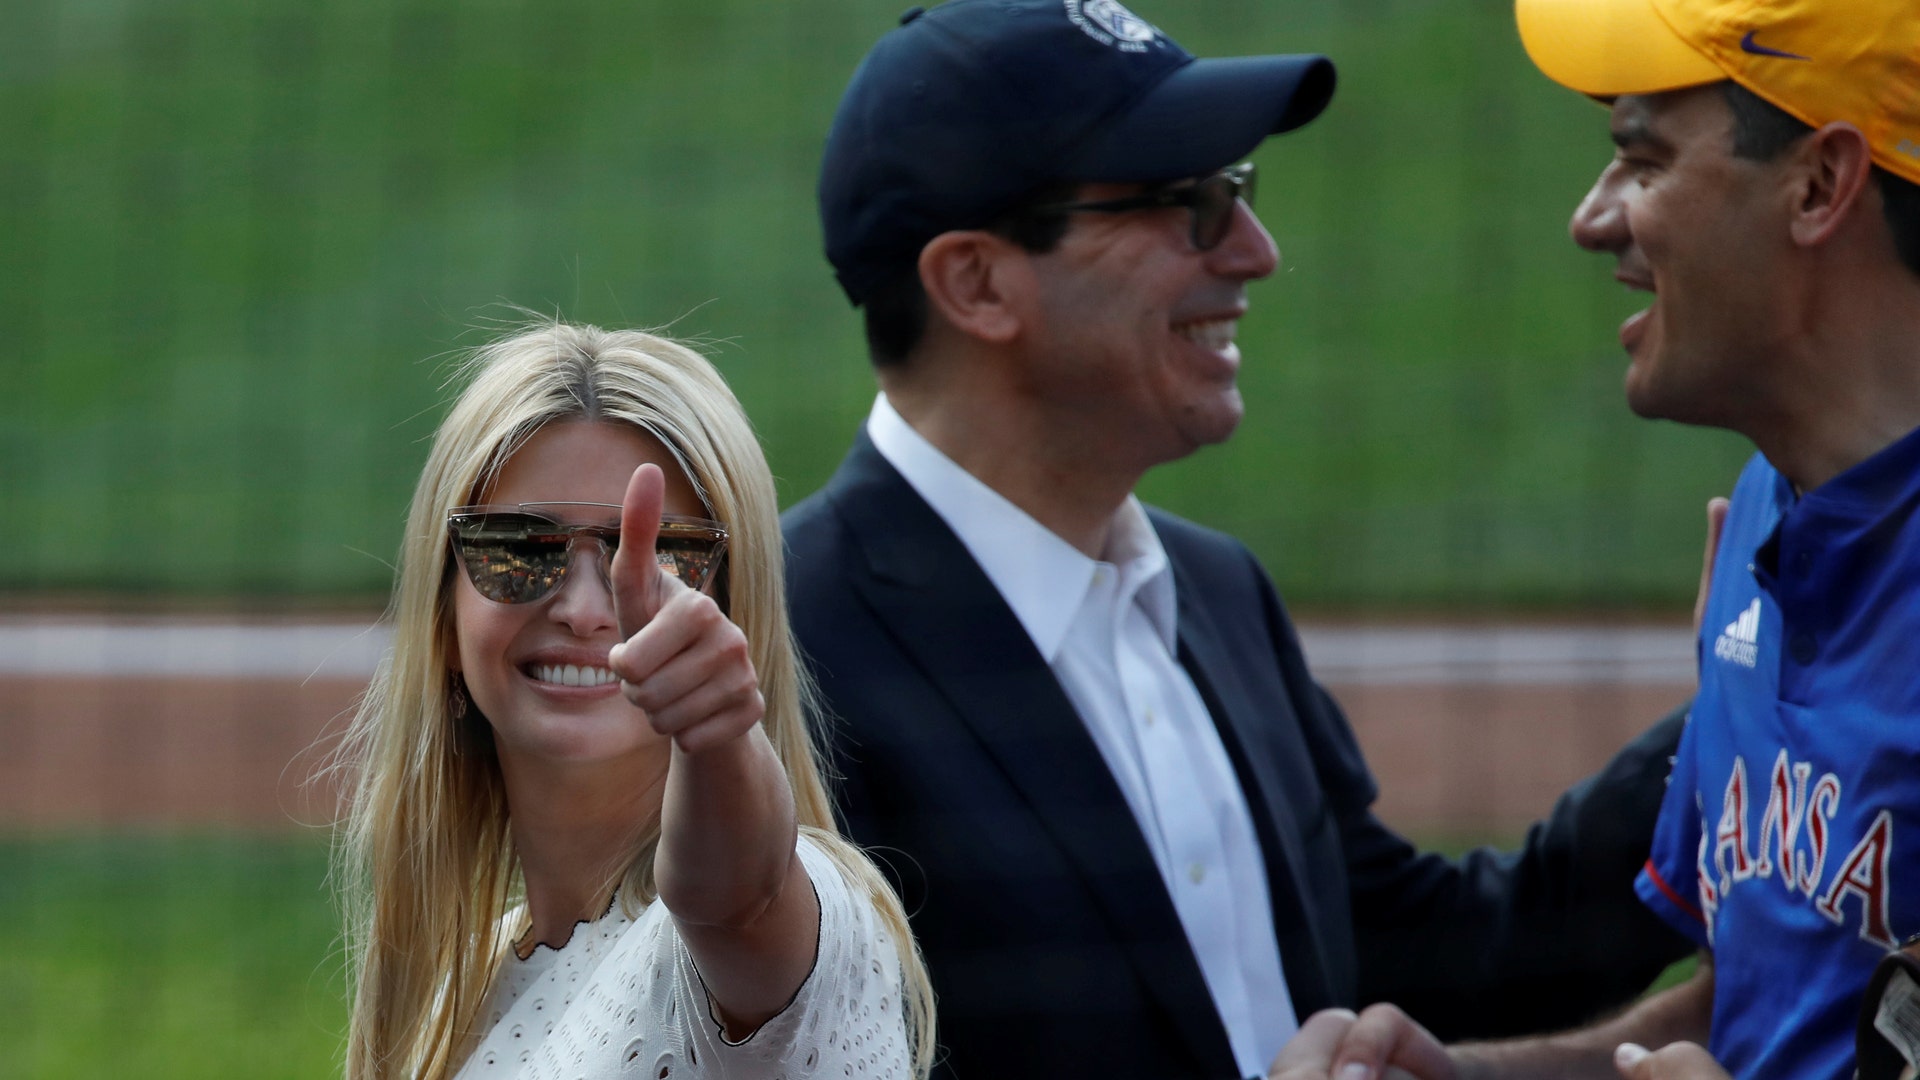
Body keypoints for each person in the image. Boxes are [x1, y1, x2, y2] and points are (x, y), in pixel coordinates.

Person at [783, 2, 1691, 1078]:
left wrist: (1751, 708)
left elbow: (1428, 956)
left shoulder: (1212, 592)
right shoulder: (794, 653)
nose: (1257, 254)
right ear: (977, 284)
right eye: (1193, 205)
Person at [1285, 0, 1920, 1076]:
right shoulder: (1770, 506)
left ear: (1819, 185)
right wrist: (1469, 1076)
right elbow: (1776, 996)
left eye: (1643, 160)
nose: (1592, 217)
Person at [331, 323, 934, 1079]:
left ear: (733, 614)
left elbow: (735, 901)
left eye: (665, 556)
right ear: (443, 622)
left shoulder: (789, 926)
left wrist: (716, 738)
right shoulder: (465, 985)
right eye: (518, 547)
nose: (587, 608)